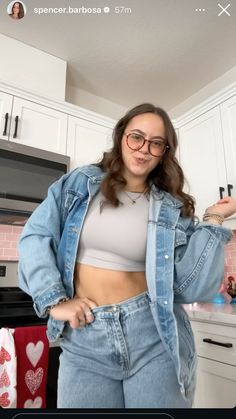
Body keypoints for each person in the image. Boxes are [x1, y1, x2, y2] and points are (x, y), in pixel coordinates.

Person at [18, 103, 236, 408]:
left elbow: (190, 287)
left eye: (156, 143)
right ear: (121, 136)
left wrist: (213, 219)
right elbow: (35, 237)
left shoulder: (173, 207)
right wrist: (55, 300)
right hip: (85, 339)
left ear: (164, 152)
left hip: (153, 336)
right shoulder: (80, 184)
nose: (144, 149)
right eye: (137, 137)